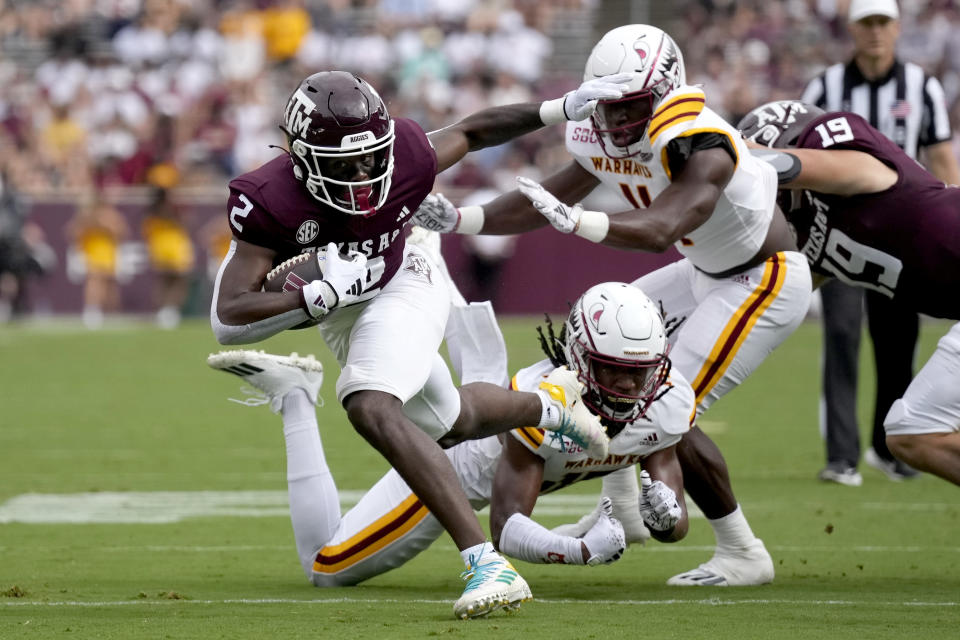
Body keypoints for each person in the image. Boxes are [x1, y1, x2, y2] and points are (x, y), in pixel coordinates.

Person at [208, 70, 627, 619]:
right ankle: (551, 407)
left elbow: (475, 131)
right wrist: (314, 297)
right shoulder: (269, 198)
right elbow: (230, 314)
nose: (362, 174)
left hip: (407, 276)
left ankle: (487, 564)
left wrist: (561, 107)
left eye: (370, 158)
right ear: (302, 159)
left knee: (369, 402)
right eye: (343, 165)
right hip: (341, 303)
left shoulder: (404, 155)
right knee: (450, 420)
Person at [413, 25, 813, 587]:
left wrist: (578, 222)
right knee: (595, 352)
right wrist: (463, 219)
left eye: (632, 108)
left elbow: (663, 227)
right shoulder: (602, 136)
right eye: (609, 107)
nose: (619, 122)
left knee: (667, 400)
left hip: (762, 278)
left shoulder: (703, 142)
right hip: (704, 271)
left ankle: (741, 550)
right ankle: (626, 509)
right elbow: (543, 200)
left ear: (667, 91)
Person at [207, 280, 692, 589]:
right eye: (614, 370)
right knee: (324, 568)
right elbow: (505, 525)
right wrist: (575, 551)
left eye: (641, 371)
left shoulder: (668, 399)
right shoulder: (544, 396)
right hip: (456, 462)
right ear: (582, 359)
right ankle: (295, 396)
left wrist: (667, 517)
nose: (631, 386)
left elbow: (672, 500)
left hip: (481, 410)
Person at [738, 99, 960, 487]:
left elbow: (803, 167)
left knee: (913, 431)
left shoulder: (847, 150)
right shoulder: (805, 234)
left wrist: (736, 162)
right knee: (912, 433)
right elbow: (763, 299)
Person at [799, 0, 960, 486]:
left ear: (896, 28)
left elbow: (940, 156)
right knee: (842, 337)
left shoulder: (922, 86)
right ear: (851, 29)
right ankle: (842, 455)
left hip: (906, 240)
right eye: (865, 24)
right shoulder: (825, 85)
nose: (874, 33)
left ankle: (888, 450)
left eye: (882, 23)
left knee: (897, 344)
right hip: (841, 232)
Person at [142, 187, 196, 329]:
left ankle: (164, 311)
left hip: (159, 246)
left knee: (164, 281)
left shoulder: (150, 211)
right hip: (174, 246)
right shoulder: (171, 209)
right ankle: (170, 311)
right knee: (179, 281)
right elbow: (185, 221)